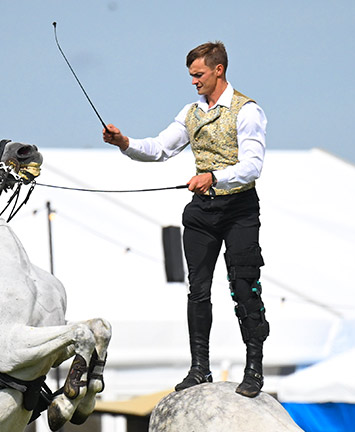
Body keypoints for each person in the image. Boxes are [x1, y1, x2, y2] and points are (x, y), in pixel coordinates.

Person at [103, 41, 269, 397]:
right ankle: (199, 368)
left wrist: (215, 176)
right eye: (191, 76)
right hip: (202, 212)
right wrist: (124, 142)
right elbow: (160, 148)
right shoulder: (190, 112)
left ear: (218, 70)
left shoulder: (247, 110)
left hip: (239, 209)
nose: (193, 82)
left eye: (198, 75)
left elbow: (253, 165)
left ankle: (254, 368)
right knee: (198, 290)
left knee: (244, 286)